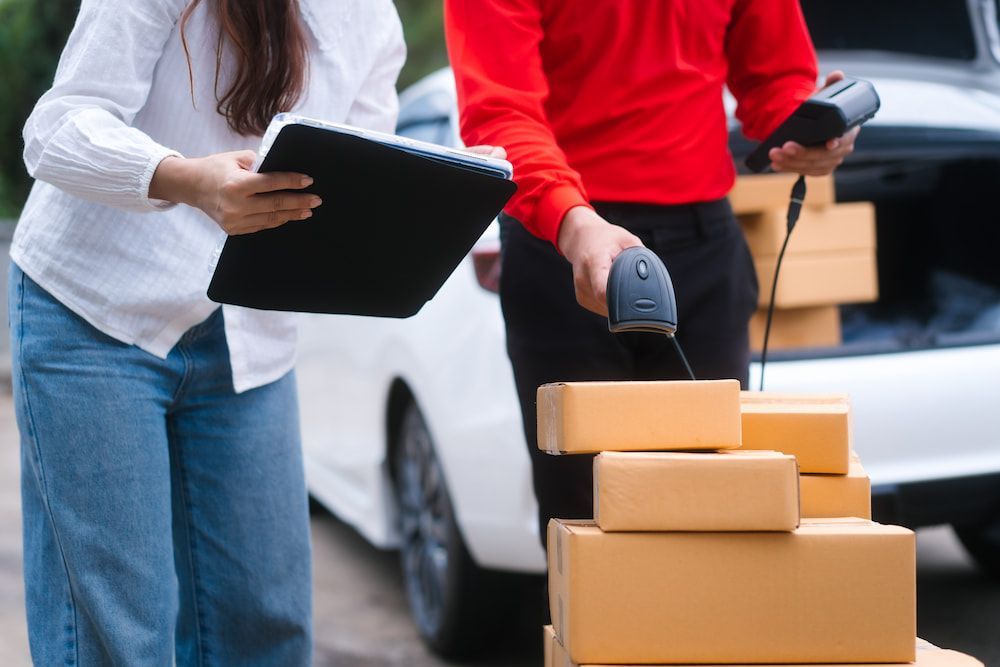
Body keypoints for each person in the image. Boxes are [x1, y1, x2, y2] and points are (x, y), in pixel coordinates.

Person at [9, 1, 409, 663]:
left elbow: (360, 172)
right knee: (123, 635)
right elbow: (54, 129)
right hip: (95, 310)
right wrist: (189, 179)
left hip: (248, 333)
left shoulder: (371, 19)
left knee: (264, 623)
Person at [445, 0, 858, 546]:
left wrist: (810, 130)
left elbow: (774, 79)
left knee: (717, 506)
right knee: (585, 517)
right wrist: (573, 224)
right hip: (565, 242)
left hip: (703, 246)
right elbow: (500, 113)